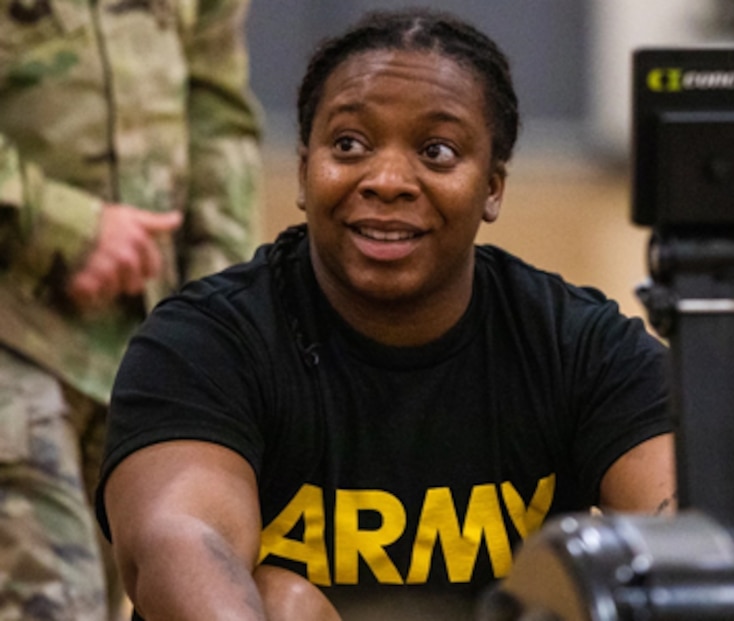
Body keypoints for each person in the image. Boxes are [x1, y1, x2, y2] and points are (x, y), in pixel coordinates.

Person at [96, 8, 675, 621]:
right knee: (284, 602)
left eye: (438, 151)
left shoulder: (579, 346)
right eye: (349, 145)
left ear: (494, 187)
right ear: (302, 170)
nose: (388, 180)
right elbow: (181, 542)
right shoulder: (204, 342)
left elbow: (710, 546)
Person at [0, 1, 262, 620]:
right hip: (14, 325)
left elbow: (218, 114)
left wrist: (219, 312)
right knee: (52, 603)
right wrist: (61, 228)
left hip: (140, 345)